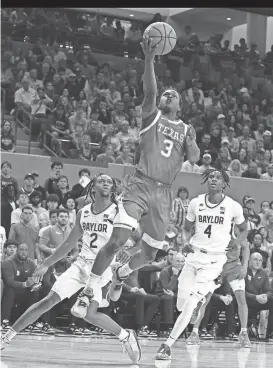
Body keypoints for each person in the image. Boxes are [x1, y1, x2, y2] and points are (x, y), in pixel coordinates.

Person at [69, 34, 199, 317]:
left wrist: (191, 140)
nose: (167, 95)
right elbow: (150, 91)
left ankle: (121, 273)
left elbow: (195, 158)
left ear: (180, 105)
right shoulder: (152, 115)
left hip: (164, 193)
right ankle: (90, 290)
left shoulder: (187, 129)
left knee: (150, 254)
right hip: (139, 184)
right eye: (166, 93)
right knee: (117, 240)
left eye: (173, 95)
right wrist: (150, 60)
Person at [1, 174, 141, 364]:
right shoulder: (83, 212)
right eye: (102, 181)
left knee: (88, 314)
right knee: (47, 301)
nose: (106, 183)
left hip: (102, 268)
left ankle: (125, 336)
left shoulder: (119, 211)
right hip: (81, 265)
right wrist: (46, 264)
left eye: (109, 181)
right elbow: (68, 245)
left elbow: (139, 238)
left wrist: (130, 251)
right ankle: (6, 337)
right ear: (93, 186)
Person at [156, 169, 248, 360]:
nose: (213, 179)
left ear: (224, 183)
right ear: (207, 181)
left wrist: (237, 242)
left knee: (191, 302)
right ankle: (193, 305)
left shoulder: (233, 206)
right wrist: (185, 239)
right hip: (194, 256)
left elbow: (244, 230)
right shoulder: (196, 203)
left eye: (218, 177)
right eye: (211, 177)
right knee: (181, 304)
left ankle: (167, 345)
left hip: (215, 261)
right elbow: (186, 229)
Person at [187, 226, 251, 347]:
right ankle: (194, 332)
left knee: (241, 298)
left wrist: (244, 266)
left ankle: (244, 332)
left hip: (233, 265)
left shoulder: (235, 228)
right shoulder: (213, 227)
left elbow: (246, 247)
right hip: (216, 265)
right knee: (204, 299)